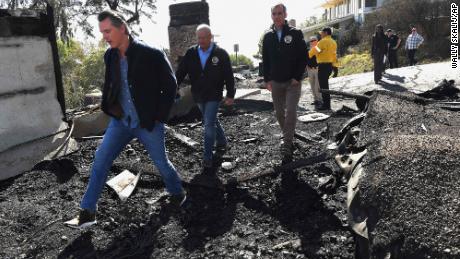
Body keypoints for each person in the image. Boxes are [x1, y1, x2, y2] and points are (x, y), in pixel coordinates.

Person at [65, 10, 187, 229]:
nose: (105, 36)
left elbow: (170, 87)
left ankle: (177, 192)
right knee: (101, 159)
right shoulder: (110, 56)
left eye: (108, 31)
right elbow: (113, 83)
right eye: (102, 32)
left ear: (122, 28)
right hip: (121, 122)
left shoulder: (151, 53)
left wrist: (158, 117)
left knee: (161, 163)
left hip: (147, 123)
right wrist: (110, 106)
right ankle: (88, 212)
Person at [175, 24, 235, 169]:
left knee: (208, 124)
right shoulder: (191, 53)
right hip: (198, 94)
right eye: (199, 38)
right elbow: (181, 71)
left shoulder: (220, 53)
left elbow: (229, 75)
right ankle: (222, 142)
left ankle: (207, 156)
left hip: (214, 94)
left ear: (210, 37)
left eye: (204, 37)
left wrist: (230, 94)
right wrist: (174, 85)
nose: (201, 41)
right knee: (211, 119)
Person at [262, 3, 307, 163]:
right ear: (271, 16)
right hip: (275, 82)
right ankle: (288, 135)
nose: (277, 16)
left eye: (280, 13)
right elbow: (265, 60)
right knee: (279, 113)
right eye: (274, 14)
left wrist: (297, 76)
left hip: (292, 82)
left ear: (285, 14)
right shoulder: (267, 36)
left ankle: (287, 143)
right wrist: (266, 79)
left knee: (291, 112)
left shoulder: (295, 33)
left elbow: (303, 56)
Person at [309, 27, 337, 110]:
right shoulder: (334, 42)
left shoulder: (322, 42)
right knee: (326, 85)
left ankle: (326, 105)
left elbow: (314, 51)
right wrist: (335, 68)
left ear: (325, 33)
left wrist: (308, 54)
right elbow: (334, 55)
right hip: (330, 66)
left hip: (323, 66)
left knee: (323, 86)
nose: (320, 34)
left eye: (321, 33)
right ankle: (327, 104)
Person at [306, 36, 322, 109]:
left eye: (314, 40)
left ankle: (319, 100)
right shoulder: (308, 50)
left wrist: (315, 47)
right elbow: (305, 58)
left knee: (317, 86)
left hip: (317, 69)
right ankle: (315, 99)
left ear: (317, 41)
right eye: (311, 41)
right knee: (312, 86)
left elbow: (320, 55)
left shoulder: (319, 48)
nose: (312, 42)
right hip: (310, 69)